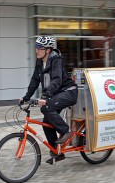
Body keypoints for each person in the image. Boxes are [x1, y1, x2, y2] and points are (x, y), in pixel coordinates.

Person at [20, 36, 78, 164]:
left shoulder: (56, 60)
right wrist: (26, 97)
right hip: (57, 94)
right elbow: (35, 80)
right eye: (36, 48)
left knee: (46, 107)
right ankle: (58, 153)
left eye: (39, 48)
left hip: (68, 92)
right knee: (47, 123)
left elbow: (57, 80)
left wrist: (45, 96)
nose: (36, 51)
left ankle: (65, 131)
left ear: (48, 50)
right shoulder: (40, 62)